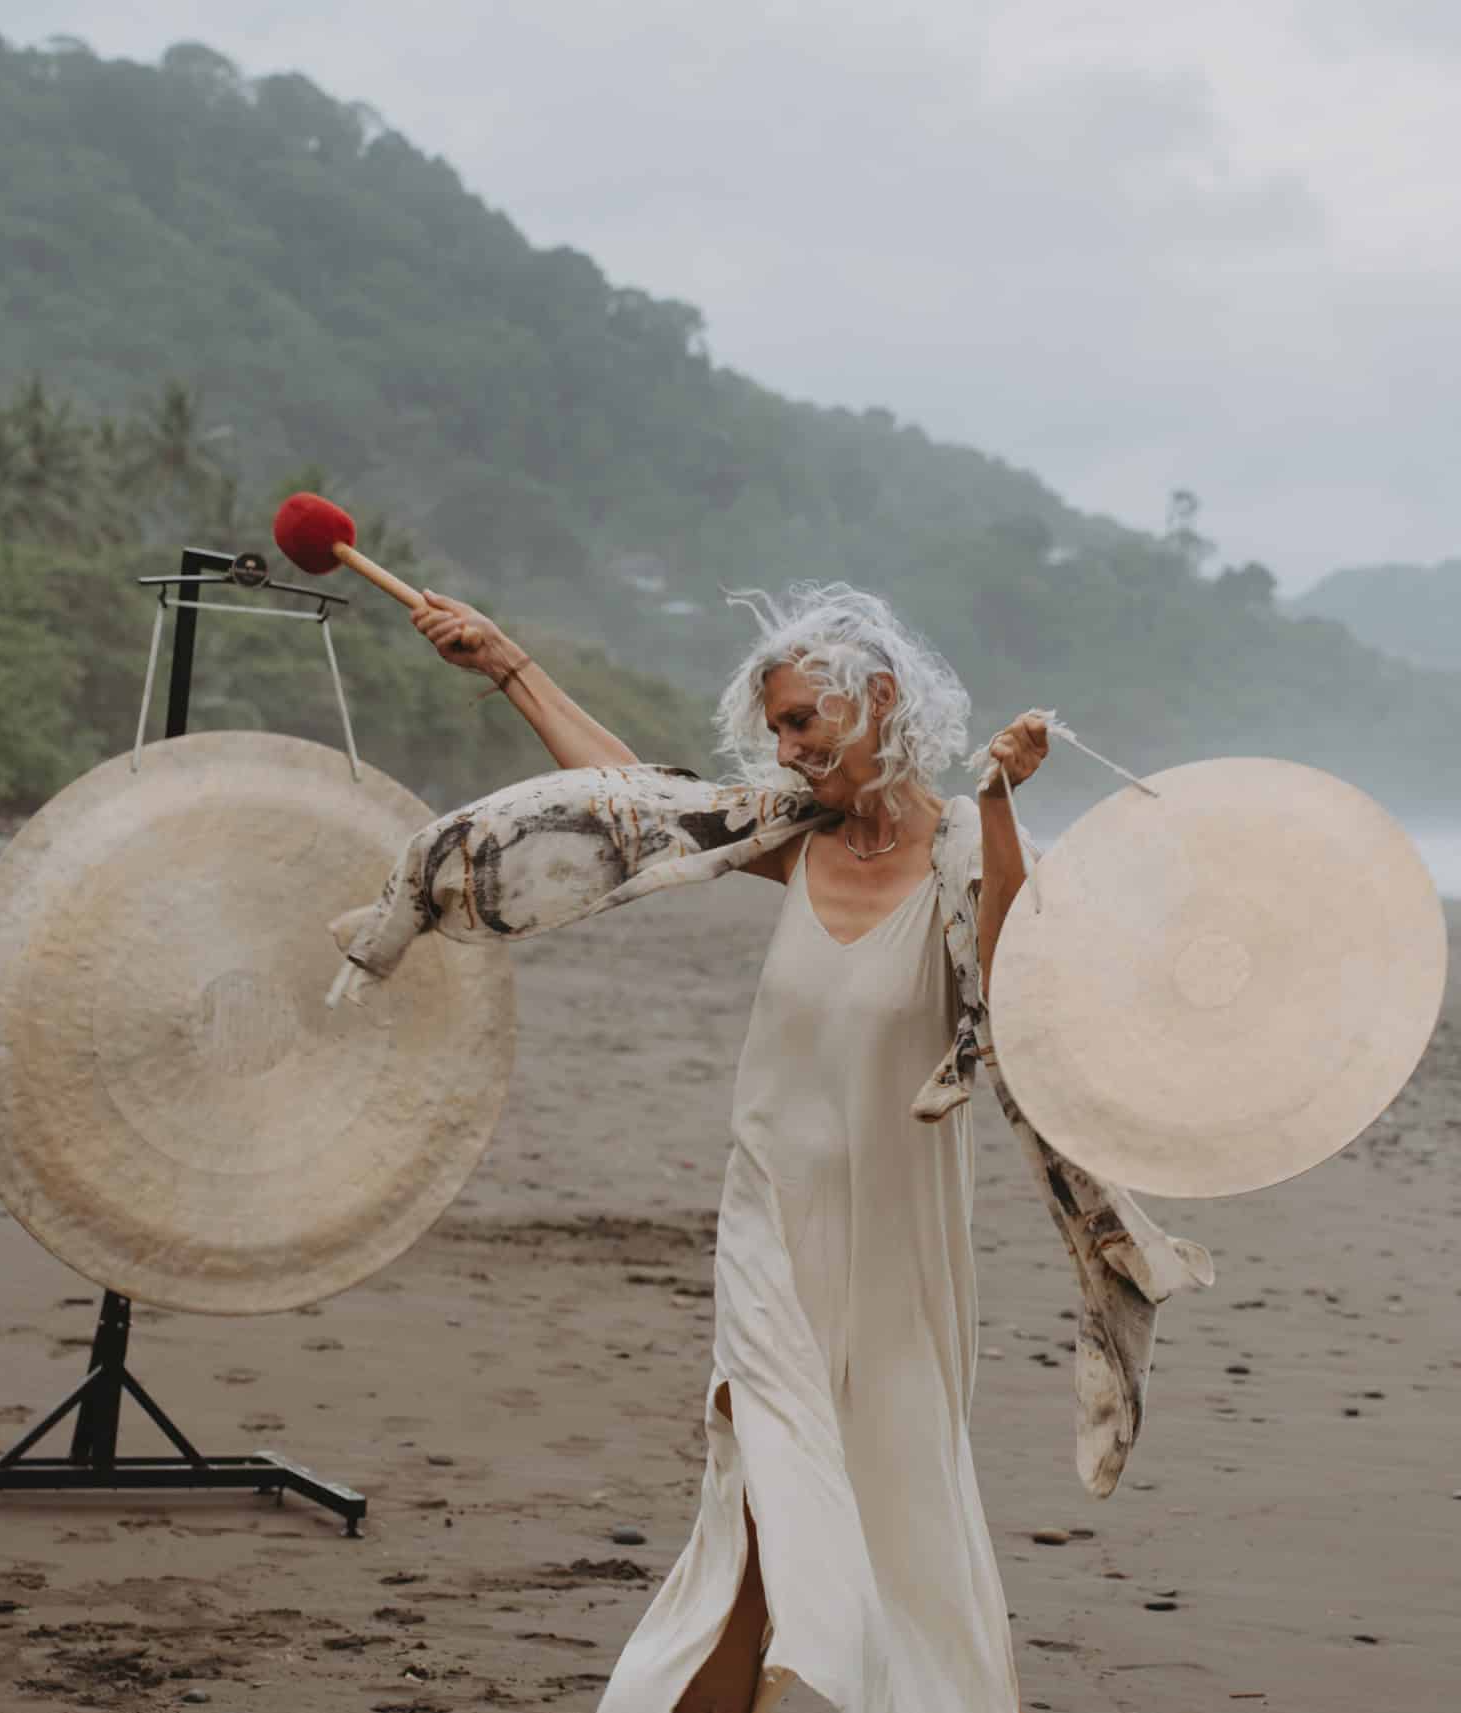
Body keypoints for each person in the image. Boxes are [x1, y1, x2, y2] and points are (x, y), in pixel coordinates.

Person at [411, 580, 1050, 1712]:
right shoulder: (787, 839)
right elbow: (631, 801)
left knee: (887, 1499)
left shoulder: (962, 845)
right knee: (762, 1496)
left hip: (897, 1251)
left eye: (805, 719)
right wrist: (511, 663)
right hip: (771, 1234)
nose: (788, 748)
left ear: (881, 700)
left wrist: (997, 805)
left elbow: (1008, 988)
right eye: (777, 729)